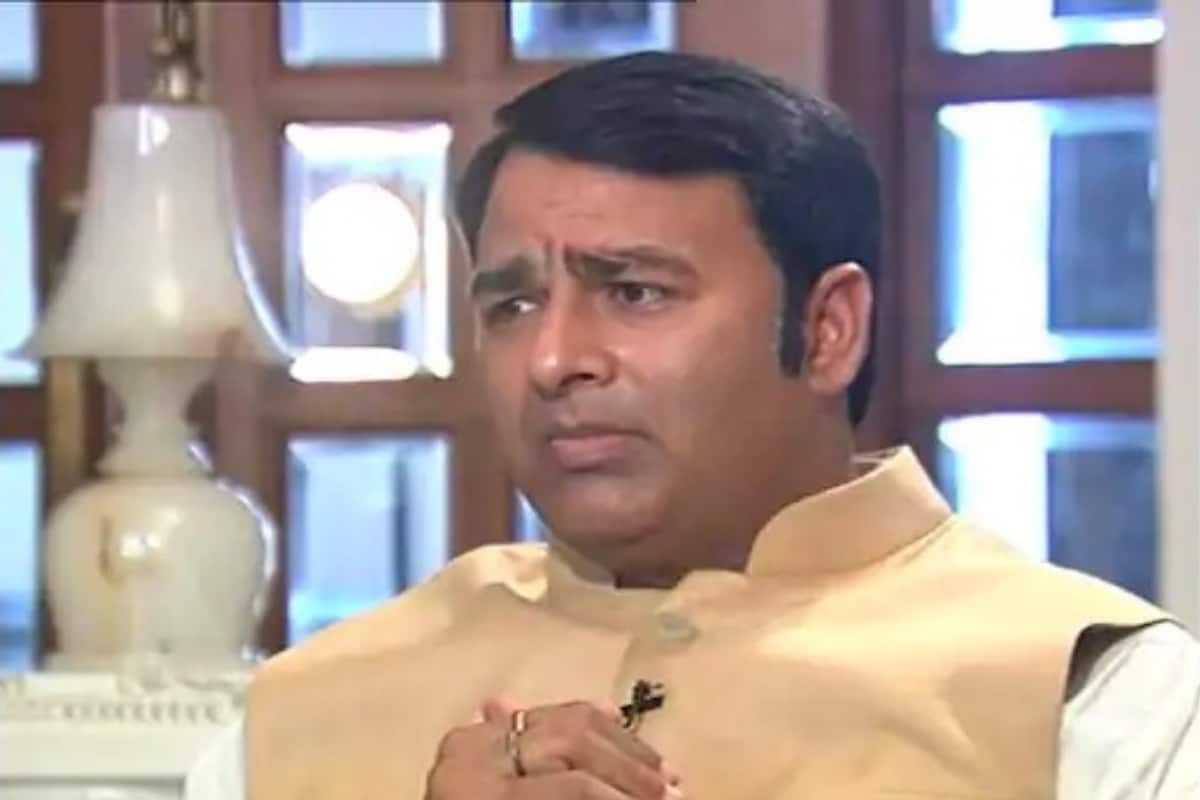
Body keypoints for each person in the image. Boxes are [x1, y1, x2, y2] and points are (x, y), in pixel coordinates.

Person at [186, 51, 1200, 799]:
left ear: (827, 329)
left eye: (635, 292)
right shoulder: (299, 717)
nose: (553, 359)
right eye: (513, 305)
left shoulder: (1092, 694)